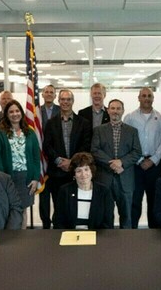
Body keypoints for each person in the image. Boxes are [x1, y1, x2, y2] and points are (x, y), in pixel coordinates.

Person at [43, 89, 91, 228]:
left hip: (77, 172)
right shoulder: (51, 123)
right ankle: (58, 232)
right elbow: (47, 146)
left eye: (68, 99)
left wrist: (72, 162)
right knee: (59, 206)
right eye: (62, 99)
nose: (65, 102)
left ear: (72, 101)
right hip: (57, 172)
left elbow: (86, 144)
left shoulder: (83, 123)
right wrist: (59, 161)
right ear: (59, 101)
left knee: (75, 204)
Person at [0, 100, 40, 229]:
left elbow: (35, 157)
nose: (14, 114)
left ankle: (22, 238)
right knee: (8, 210)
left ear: (21, 113)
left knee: (22, 210)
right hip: (8, 178)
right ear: (6, 114)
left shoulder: (29, 132)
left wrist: (35, 178)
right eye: (11, 111)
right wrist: (2, 179)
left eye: (17, 111)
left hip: (26, 179)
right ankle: (9, 240)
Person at [92, 99, 142, 229]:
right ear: (108, 110)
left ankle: (126, 245)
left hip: (125, 179)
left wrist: (121, 163)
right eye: (112, 108)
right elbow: (95, 150)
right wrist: (113, 164)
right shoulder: (98, 130)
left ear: (123, 111)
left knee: (126, 216)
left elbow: (137, 152)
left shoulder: (132, 131)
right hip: (104, 179)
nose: (115, 111)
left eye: (118, 108)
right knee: (106, 215)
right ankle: (108, 246)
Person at [124, 87, 161, 228]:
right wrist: (139, 160)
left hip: (155, 165)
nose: (147, 98)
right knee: (135, 200)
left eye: (149, 96)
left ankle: (154, 231)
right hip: (135, 165)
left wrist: (153, 159)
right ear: (139, 98)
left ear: (153, 98)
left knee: (154, 199)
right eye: (144, 96)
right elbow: (127, 142)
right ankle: (132, 231)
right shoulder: (130, 118)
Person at [53, 152, 114, 229]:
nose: (83, 174)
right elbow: (58, 221)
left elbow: (108, 222)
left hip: (97, 236)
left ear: (91, 171)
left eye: (86, 169)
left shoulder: (104, 191)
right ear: (74, 174)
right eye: (79, 171)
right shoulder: (65, 191)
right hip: (70, 236)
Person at [38, 84, 59, 228]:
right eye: (47, 92)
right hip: (41, 160)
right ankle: (45, 223)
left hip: (56, 159)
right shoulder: (35, 112)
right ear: (42, 94)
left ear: (55, 95)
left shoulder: (61, 110)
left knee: (58, 195)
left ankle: (57, 222)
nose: (49, 94)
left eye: (52, 92)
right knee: (43, 197)